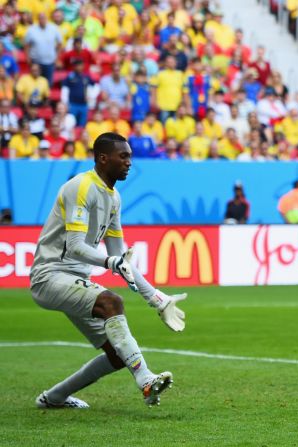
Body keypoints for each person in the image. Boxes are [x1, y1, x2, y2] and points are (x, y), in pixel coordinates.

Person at [29, 132, 188, 408]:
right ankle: (146, 380)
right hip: (50, 276)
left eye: (130, 156)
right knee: (111, 302)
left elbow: (120, 258)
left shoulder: (114, 199)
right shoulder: (81, 187)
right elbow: (76, 246)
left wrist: (157, 299)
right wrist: (108, 262)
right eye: (123, 156)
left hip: (76, 280)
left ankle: (54, 397)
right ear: (103, 158)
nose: (129, 162)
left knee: (117, 355)